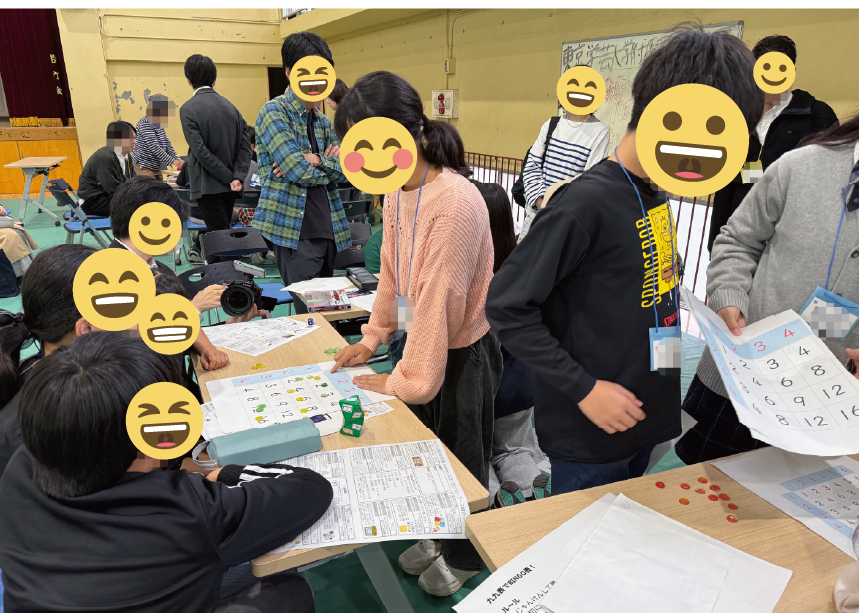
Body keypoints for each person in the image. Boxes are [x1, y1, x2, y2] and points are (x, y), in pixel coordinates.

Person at [486, 27, 763, 498]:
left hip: (647, 416)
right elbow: (506, 307)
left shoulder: (654, 193)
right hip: (592, 432)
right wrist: (584, 388)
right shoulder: (583, 204)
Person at [0, 332, 333, 612]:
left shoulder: (20, 468)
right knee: (289, 588)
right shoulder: (189, 510)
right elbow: (311, 489)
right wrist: (225, 475)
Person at [330, 70, 502, 597]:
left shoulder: (454, 203)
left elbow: (439, 298)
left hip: (462, 349)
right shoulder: (396, 191)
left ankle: (466, 554)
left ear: (411, 132)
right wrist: (373, 337)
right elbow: (392, 273)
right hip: (419, 338)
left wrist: (408, 381)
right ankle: (437, 533)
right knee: (423, 449)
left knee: (461, 458)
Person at [675, 112, 859, 464]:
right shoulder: (799, 166)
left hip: (828, 402)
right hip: (739, 377)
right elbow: (736, 240)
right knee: (696, 484)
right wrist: (729, 296)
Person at [707, 34, 838, 251]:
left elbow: (829, 185)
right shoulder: (736, 118)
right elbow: (726, 183)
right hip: (738, 238)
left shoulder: (817, 118)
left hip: (788, 244)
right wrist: (715, 243)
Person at [252, 32, 350, 314]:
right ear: (289, 73)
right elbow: (297, 170)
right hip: (295, 232)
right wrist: (326, 163)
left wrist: (316, 161)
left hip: (329, 228)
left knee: (328, 313)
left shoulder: (322, 121)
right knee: (310, 314)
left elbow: (347, 171)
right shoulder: (274, 113)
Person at [474, 181, 547, 506]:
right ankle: (530, 486)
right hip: (521, 382)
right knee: (514, 448)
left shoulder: (467, 270)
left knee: (472, 450)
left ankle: (492, 500)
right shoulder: (525, 264)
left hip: (478, 386)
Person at [108, 176, 230, 371]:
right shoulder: (111, 279)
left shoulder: (158, 268)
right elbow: (136, 346)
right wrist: (193, 310)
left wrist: (207, 348)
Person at [180, 54, 253, 261]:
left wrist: (228, 177)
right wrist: (237, 176)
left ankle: (229, 277)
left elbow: (200, 152)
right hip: (231, 187)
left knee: (220, 240)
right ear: (214, 79)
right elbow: (245, 147)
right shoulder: (232, 108)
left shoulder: (188, 109)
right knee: (218, 237)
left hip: (207, 186)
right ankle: (216, 276)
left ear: (188, 80)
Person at [518, 82, 611, 241]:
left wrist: (558, 211)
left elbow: (589, 180)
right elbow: (532, 166)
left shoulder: (601, 131)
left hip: (567, 220)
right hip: (537, 215)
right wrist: (542, 204)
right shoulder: (551, 125)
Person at [77, 121, 136, 217]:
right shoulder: (105, 157)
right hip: (93, 202)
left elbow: (133, 181)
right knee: (138, 204)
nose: (134, 142)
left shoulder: (127, 155)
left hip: (109, 196)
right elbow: (113, 189)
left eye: (135, 138)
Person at [132, 94, 184, 179]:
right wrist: (173, 161)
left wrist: (178, 160)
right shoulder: (145, 123)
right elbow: (154, 147)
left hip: (155, 166)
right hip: (145, 166)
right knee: (149, 187)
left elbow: (167, 144)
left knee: (159, 186)